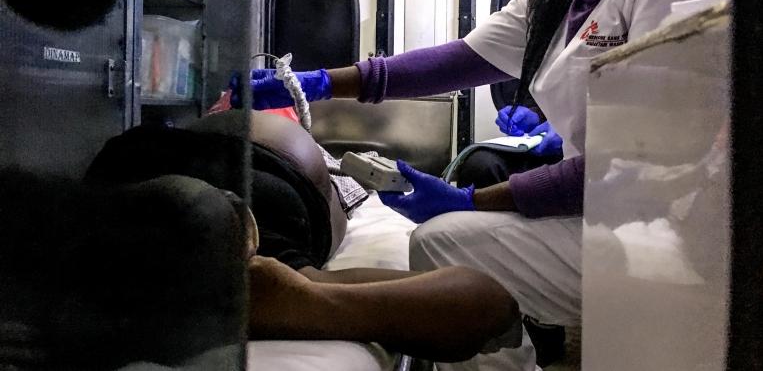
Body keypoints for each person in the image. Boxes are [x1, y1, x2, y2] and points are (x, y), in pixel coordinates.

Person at [238, 0, 731, 369]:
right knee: (446, 237)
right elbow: (456, 62)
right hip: (604, 202)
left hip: (669, 222)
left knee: (447, 241)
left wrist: (476, 200)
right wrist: (315, 84)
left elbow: (638, 157)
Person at [83, 110, 521, 364]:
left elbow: (485, 304)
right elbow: (487, 304)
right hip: (233, 163)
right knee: (340, 208)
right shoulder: (286, 256)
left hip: (140, 158)